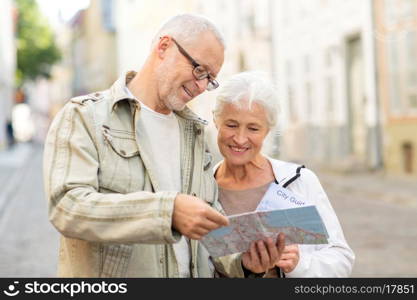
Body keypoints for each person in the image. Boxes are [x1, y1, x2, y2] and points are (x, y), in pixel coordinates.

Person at [43, 13, 236, 278]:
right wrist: (167, 212)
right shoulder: (85, 116)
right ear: (164, 47)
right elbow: (68, 207)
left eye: (210, 79)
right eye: (199, 70)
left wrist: (247, 263)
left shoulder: (196, 132)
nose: (201, 86)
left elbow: (211, 226)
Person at [212, 71, 355, 277]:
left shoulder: (299, 181)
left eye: (253, 128)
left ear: (267, 130)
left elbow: (341, 259)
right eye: (231, 125)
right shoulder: (203, 187)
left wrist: (299, 264)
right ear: (216, 120)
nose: (240, 139)